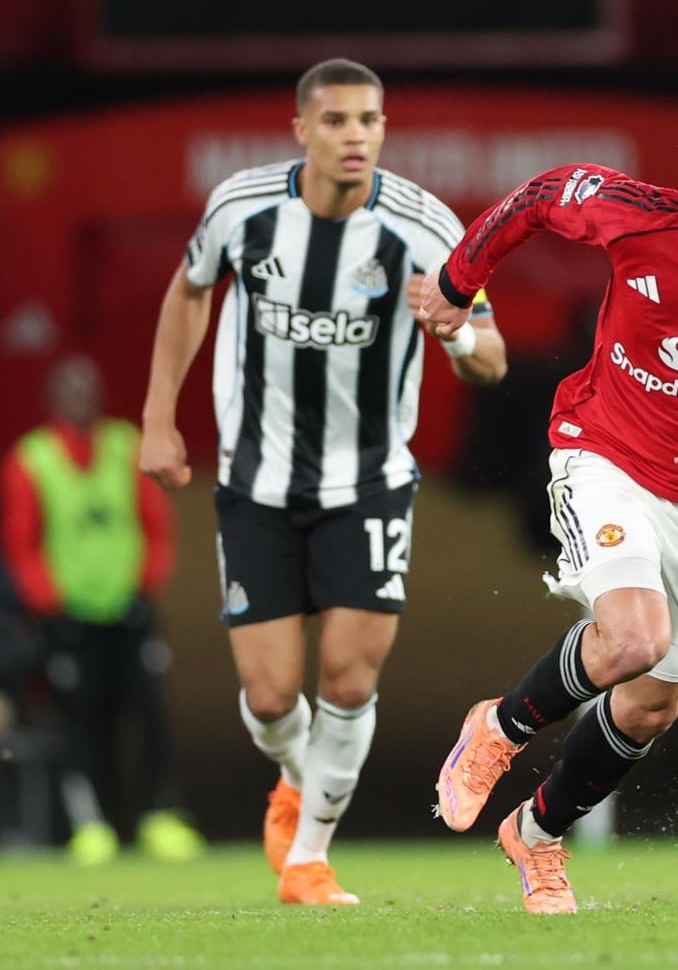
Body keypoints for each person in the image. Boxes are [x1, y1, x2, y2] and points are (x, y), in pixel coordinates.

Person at [417, 114, 678, 914]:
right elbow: (540, 197)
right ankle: (500, 731)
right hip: (600, 451)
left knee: (653, 700)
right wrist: (454, 281)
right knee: (634, 636)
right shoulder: (631, 212)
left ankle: (536, 837)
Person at [138, 59, 507, 904]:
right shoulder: (242, 207)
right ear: (300, 128)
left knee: (347, 678)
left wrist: (450, 333)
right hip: (256, 484)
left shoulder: (426, 227)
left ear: (384, 128)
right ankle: (297, 781)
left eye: (369, 120)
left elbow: (492, 355)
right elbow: (189, 291)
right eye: (337, 120)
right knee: (270, 696)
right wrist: (160, 416)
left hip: (369, 483)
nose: (355, 136)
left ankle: (308, 858)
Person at [1, 355, 205, 864]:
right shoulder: (32, 459)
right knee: (79, 724)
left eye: (89, 388)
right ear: (54, 398)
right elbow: (22, 544)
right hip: (68, 621)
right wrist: (47, 603)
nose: (82, 398)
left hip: (129, 613)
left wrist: (145, 585)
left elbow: (156, 526)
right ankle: (90, 825)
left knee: (150, 715)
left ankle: (162, 817)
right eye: (71, 388)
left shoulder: (124, 447)